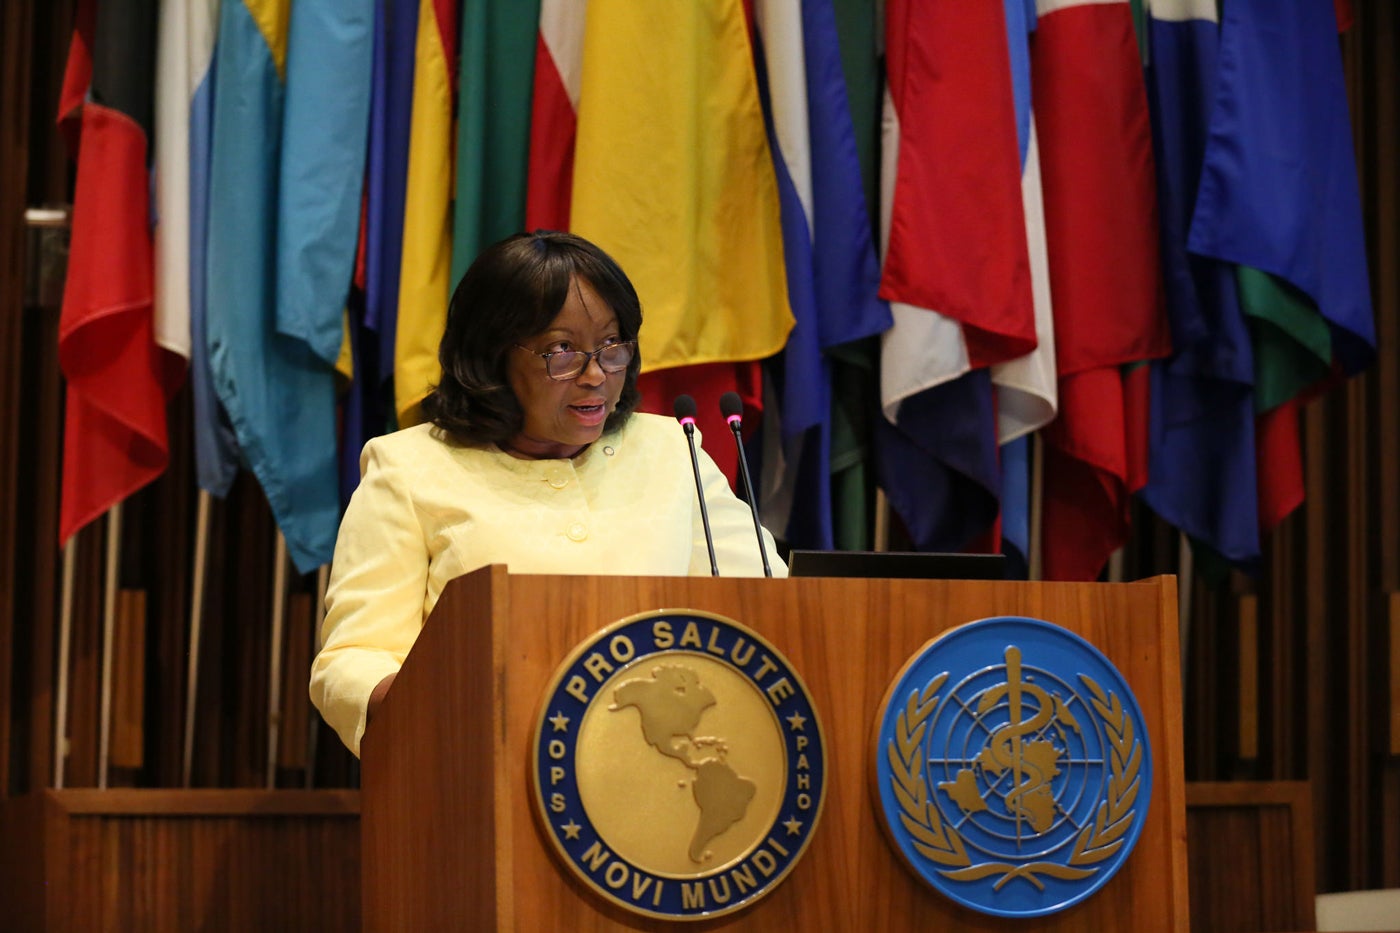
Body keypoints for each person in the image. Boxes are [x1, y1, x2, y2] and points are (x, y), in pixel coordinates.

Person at [309, 231, 785, 756]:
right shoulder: (409, 467)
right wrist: (441, 707)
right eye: (562, 351)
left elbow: (776, 608)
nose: (594, 375)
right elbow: (353, 659)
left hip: (667, 772)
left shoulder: (672, 448)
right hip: (488, 764)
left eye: (611, 345)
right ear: (491, 357)